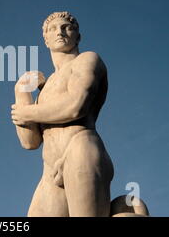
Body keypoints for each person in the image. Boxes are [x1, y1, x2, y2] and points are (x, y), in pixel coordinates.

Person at [11, 11, 114, 217]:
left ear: (78, 36)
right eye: (52, 29)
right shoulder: (46, 86)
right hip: (49, 169)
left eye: (67, 27)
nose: (60, 31)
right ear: (46, 40)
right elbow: (30, 142)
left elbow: (76, 106)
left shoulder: (86, 60)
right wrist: (21, 92)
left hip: (80, 150)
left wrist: (27, 112)